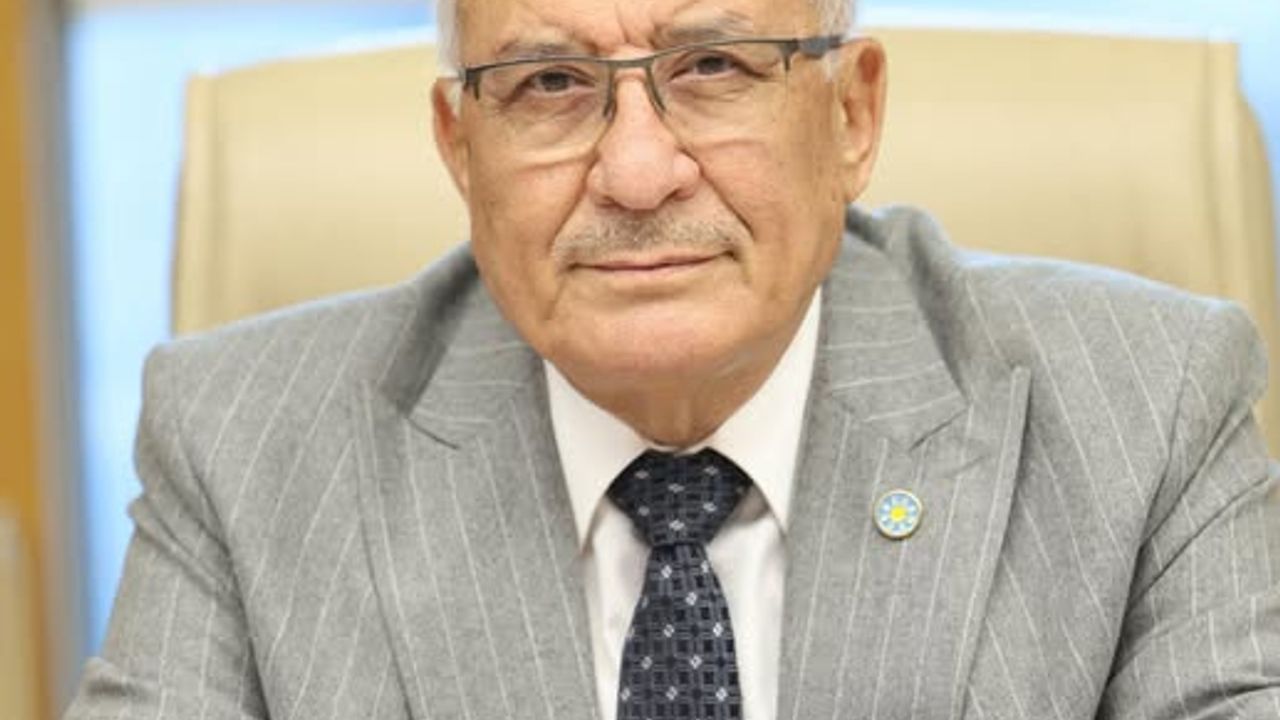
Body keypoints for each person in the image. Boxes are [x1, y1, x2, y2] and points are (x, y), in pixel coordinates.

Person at [67, 0, 1280, 717]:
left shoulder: (1145, 408)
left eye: (711, 68)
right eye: (549, 83)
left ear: (850, 115)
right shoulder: (241, 447)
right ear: (459, 146)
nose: (637, 173)